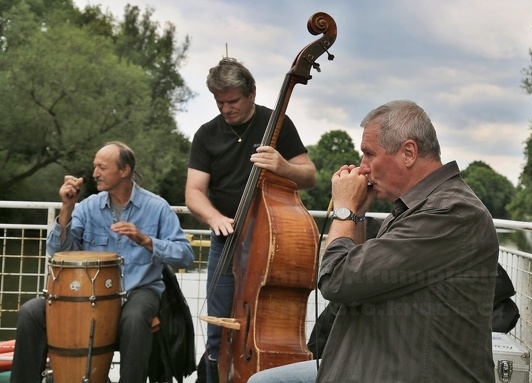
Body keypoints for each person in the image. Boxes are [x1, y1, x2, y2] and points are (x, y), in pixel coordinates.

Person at [247, 99, 499, 382]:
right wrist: (356, 216)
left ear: (408, 152)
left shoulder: (449, 213)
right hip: (382, 359)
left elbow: (336, 280)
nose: (363, 168)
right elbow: (355, 278)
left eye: (369, 154)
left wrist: (344, 210)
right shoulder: (414, 207)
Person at [10, 141, 195, 383]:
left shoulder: (157, 207)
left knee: (135, 317)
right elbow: (58, 253)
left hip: (138, 291)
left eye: (102, 167)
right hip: (87, 295)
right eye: (95, 166)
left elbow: (185, 255)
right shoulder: (87, 207)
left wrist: (145, 240)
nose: (94, 173)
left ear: (124, 170)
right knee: (30, 312)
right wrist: (67, 208)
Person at [185, 57, 316, 382]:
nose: (226, 108)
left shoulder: (277, 124)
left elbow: (309, 176)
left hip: (271, 238)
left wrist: (282, 167)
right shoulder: (206, 134)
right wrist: (214, 217)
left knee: (264, 325)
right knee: (218, 327)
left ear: (252, 93)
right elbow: (194, 193)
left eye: (233, 101)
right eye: (220, 102)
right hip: (225, 240)